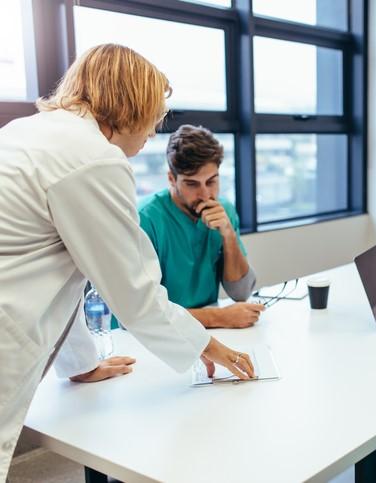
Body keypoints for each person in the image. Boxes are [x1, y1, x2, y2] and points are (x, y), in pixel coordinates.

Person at [0, 44, 254, 479]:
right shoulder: (92, 158)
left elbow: (64, 273)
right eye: (154, 118)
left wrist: (80, 364)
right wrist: (208, 345)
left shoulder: (27, 132)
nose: (153, 132)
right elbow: (133, 293)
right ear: (132, 108)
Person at [138, 125, 263, 328]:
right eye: (192, 184)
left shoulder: (225, 210)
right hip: (149, 338)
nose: (205, 195)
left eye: (211, 181)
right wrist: (219, 317)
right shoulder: (145, 218)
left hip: (205, 332)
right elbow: (142, 313)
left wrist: (228, 235)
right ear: (171, 178)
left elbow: (241, 293)